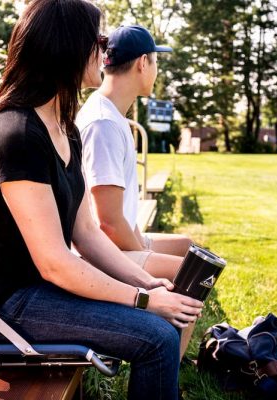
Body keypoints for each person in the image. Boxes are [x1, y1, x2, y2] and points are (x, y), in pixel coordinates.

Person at [0, 2, 203, 399]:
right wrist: (144, 300)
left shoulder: (65, 129)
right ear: (65, 46)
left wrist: (144, 281)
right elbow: (55, 263)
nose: (104, 52)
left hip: (35, 287)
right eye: (97, 40)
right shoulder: (16, 134)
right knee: (157, 336)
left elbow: (86, 232)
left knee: (161, 323)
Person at [75, 26, 197, 357]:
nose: (156, 70)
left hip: (112, 241)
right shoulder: (102, 124)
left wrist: (142, 242)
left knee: (190, 249)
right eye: (156, 61)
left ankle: (175, 359)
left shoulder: (110, 116)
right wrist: (141, 256)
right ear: (143, 62)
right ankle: (167, 363)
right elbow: (108, 224)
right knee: (194, 274)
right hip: (98, 253)